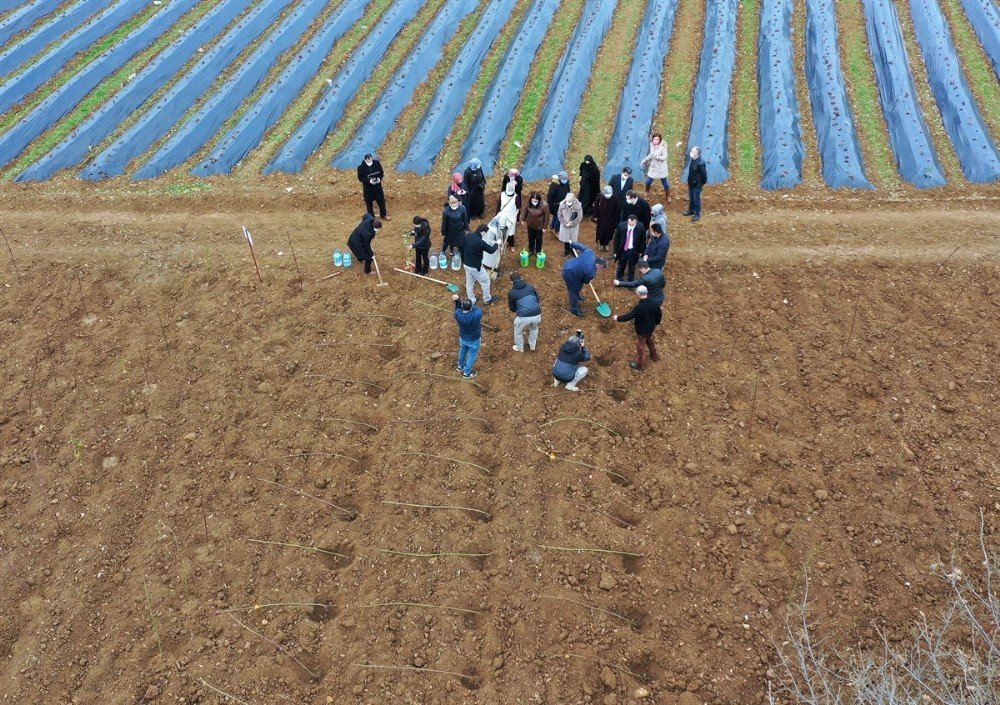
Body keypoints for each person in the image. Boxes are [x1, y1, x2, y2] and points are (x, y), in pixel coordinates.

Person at [613, 285, 662, 370]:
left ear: (639, 294)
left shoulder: (640, 307)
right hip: (651, 328)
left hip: (642, 331)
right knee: (650, 341)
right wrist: (656, 323)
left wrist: (618, 318)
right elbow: (659, 315)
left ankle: (639, 365)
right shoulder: (655, 302)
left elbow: (629, 316)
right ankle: (654, 357)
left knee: (640, 348)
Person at [562, 242, 607, 317]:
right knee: (573, 292)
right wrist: (589, 279)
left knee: (578, 285)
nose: (601, 270)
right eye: (601, 268)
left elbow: (581, 247)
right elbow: (585, 281)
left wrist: (573, 244)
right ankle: (575, 310)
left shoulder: (590, 253)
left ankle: (578, 296)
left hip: (570, 264)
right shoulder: (591, 272)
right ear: (598, 265)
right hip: (569, 274)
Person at [461, 224, 499, 305]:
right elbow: (491, 250)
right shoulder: (480, 242)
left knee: (469, 283)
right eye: (486, 233)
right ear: (483, 232)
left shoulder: (468, 235)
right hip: (475, 267)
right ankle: (487, 299)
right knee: (486, 282)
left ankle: (471, 299)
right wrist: (497, 243)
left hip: (466, 264)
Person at [507, 272, 541, 352]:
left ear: (511, 282)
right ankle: (532, 345)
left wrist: (518, 310)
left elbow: (512, 308)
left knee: (518, 332)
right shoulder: (530, 287)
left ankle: (519, 348)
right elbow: (537, 299)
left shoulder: (512, 293)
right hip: (537, 314)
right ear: (521, 278)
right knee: (534, 328)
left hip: (523, 317)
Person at [452, 295, 483, 379]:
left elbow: (457, 309)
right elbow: (477, 309)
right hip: (474, 339)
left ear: (462, 307)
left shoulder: (457, 314)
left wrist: (457, 300)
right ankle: (467, 373)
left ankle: (460, 366)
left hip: (463, 337)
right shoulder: (477, 314)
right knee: (472, 355)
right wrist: (471, 305)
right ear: (471, 308)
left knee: (462, 350)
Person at [613, 214, 646, 281]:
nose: (630, 225)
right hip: (623, 251)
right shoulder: (621, 226)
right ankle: (619, 280)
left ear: (636, 221)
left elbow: (643, 240)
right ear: (627, 220)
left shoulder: (641, 227)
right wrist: (615, 252)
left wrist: (641, 251)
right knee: (621, 266)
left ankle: (630, 282)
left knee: (632, 267)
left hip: (634, 251)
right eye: (629, 224)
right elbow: (616, 240)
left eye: (632, 224)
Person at [357, 153, 389, 220]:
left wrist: (379, 178)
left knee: (381, 201)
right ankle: (371, 218)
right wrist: (369, 181)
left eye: (371, 160)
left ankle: (383, 215)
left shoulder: (377, 163)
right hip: (368, 188)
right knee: (369, 203)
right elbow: (360, 178)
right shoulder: (360, 168)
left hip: (377, 186)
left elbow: (381, 173)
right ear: (365, 160)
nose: (370, 162)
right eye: (368, 161)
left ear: (372, 158)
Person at [640, 133, 670, 202]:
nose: (655, 140)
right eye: (654, 139)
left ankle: (668, 195)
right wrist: (645, 160)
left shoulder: (663, 146)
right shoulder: (652, 145)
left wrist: (658, 158)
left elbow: (665, 157)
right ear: (652, 139)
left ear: (660, 140)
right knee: (649, 181)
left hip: (661, 167)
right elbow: (651, 154)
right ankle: (647, 191)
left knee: (664, 182)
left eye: (657, 139)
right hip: (653, 166)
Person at [522, 190, 549, 257]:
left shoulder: (544, 205)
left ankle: (538, 251)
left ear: (539, 200)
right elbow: (526, 211)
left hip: (539, 226)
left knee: (538, 239)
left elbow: (547, 217)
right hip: (530, 225)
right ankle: (531, 250)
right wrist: (523, 219)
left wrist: (544, 227)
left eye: (536, 201)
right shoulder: (529, 203)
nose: (534, 202)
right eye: (532, 200)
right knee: (531, 238)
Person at [496, 178, 520, 251]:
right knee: (502, 229)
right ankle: (504, 242)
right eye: (508, 189)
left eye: (511, 190)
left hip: (512, 217)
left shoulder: (516, 197)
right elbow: (498, 206)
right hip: (503, 216)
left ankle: (511, 244)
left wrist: (517, 219)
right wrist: (497, 215)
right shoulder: (502, 194)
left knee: (511, 231)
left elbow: (518, 208)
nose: (510, 191)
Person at [685, 146, 708, 222]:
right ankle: (691, 210)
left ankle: (697, 214)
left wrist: (703, 182)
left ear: (697, 153)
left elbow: (704, 174)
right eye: (691, 151)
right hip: (691, 182)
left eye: (693, 151)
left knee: (696, 199)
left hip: (697, 184)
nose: (691, 152)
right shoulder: (693, 159)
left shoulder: (701, 162)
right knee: (691, 197)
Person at [593, 185, 619, 251]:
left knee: (609, 231)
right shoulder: (600, 196)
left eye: (609, 194)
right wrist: (595, 215)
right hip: (601, 218)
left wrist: (615, 219)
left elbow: (617, 210)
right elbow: (596, 205)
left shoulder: (615, 198)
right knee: (601, 230)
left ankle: (606, 243)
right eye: (606, 194)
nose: (608, 195)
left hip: (611, 219)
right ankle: (601, 243)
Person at [557, 192, 583, 257]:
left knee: (573, 240)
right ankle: (567, 251)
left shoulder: (578, 205)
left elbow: (579, 216)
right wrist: (565, 223)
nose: (568, 203)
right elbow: (559, 215)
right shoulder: (562, 204)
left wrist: (572, 223)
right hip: (564, 225)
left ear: (573, 200)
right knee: (566, 239)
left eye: (570, 202)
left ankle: (573, 251)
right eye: (567, 201)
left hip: (574, 226)